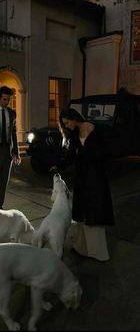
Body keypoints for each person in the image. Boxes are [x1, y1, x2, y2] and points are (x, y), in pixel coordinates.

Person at [50, 107, 115, 261]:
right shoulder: (74, 134)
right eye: (64, 124)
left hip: (96, 179)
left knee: (94, 214)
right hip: (82, 179)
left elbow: (104, 153)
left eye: (67, 122)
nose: (66, 126)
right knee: (82, 215)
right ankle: (82, 248)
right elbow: (71, 155)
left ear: (74, 118)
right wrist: (58, 165)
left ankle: (98, 253)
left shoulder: (94, 129)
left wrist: (87, 156)